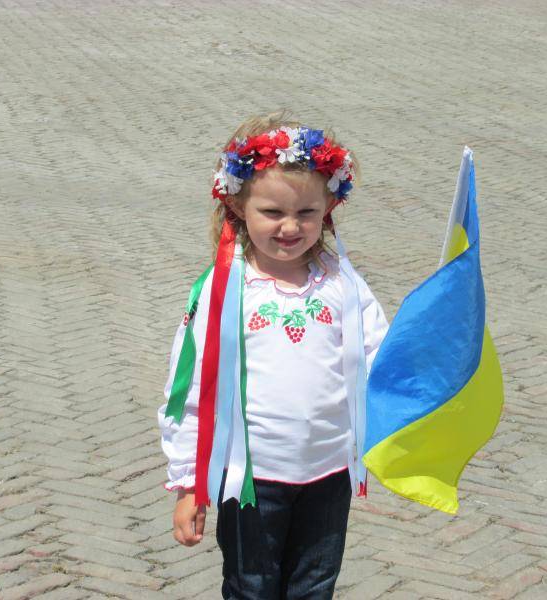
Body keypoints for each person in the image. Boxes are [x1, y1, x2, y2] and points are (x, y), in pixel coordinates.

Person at [157, 111, 389, 599]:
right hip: (251, 478)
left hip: (328, 472)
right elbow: (192, 391)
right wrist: (190, 485)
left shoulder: (342, 283)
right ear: (238, 206)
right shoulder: (224, 289)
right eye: (272, 212)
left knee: (314, 586)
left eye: (305, 212)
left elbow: (381, 359)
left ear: (328, 208)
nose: (290, 226)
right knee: (252, 586)